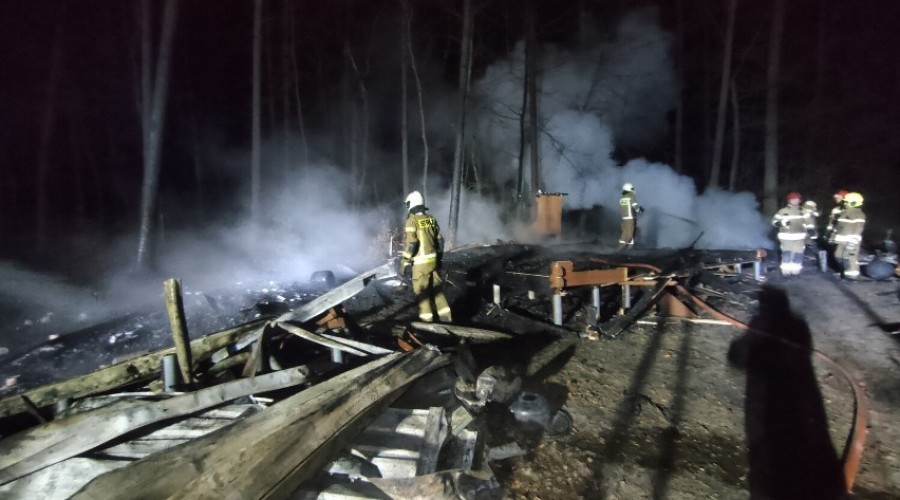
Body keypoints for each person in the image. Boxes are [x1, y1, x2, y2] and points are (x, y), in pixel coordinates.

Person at [400, 190, 453, 323]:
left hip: (420, 265)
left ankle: (427, 324)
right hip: (433, 262)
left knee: (422, 294)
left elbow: (412, 243)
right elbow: (440, 240)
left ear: (411, 205)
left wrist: (405, 262)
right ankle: (447, 319)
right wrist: (439, 258)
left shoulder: (411, 221)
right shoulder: (431, 219)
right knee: (437, 291)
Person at [832, 191, 866, 280]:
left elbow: (858, 228)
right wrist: (833, 237)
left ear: (853, 202)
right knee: (838, 256)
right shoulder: (844, 212)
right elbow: (840, 227)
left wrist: (853, 242)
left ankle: (851, 276)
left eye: (846, 201)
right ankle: (844, 272)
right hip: (841, 240)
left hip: (851, 241)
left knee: (850, 258)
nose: (845, 203)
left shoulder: (859, 214)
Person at [771, 192, 807, 276]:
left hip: (799, 238)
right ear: (789, 200)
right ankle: (786, 272)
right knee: (786, 255)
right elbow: (774, 221)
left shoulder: (803, 211)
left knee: (798, 254)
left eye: (797, 199)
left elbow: (809, 223)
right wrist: (781, 223)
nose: (795, 201)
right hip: (785, 237)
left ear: (799, 200)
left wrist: (811, 232)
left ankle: (795, 271)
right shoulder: (782, 211)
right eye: (793, 199)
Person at [618, 182, 643, 248]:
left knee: (624, 234)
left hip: (624, 219)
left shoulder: (622, 198)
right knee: (629, 234)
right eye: (632, 188)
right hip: (630, 219)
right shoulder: (631, 196)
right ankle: (622, 248)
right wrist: (641, 210)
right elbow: (635, 208)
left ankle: (626, 247)